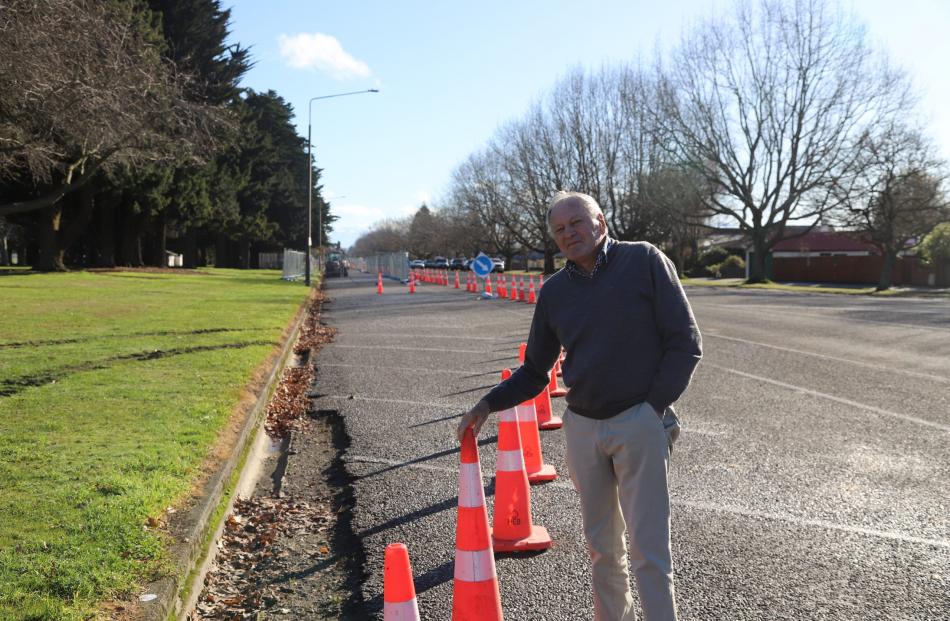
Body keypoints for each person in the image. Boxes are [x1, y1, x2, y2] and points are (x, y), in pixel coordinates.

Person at [456, 191, 702, 621]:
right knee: (602, 549)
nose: (570, 233)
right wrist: (485, 406)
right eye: (560, 229)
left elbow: (686, 343)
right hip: (584, 427)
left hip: (639, 422)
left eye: (577, 223)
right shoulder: (554, 292)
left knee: (649, 552)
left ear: (600, 222)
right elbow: (535, 370)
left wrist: (653, 409)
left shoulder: (643, 261)